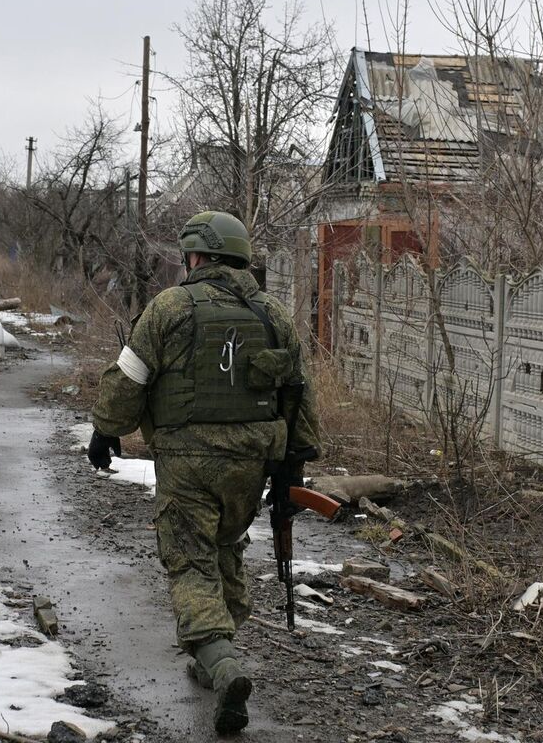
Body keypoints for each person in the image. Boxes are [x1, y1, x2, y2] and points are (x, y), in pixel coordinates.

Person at [87, 210, 322, 735]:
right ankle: (217, 652)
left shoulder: (169, 308)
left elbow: (129, 380)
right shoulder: (273, 315)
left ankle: (222, 664)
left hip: (187, 465)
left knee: (190, 561)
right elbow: (298, 399)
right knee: (226, 547)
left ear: (197, 256)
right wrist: (292, 473)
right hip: (249, 467)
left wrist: (105, 431)